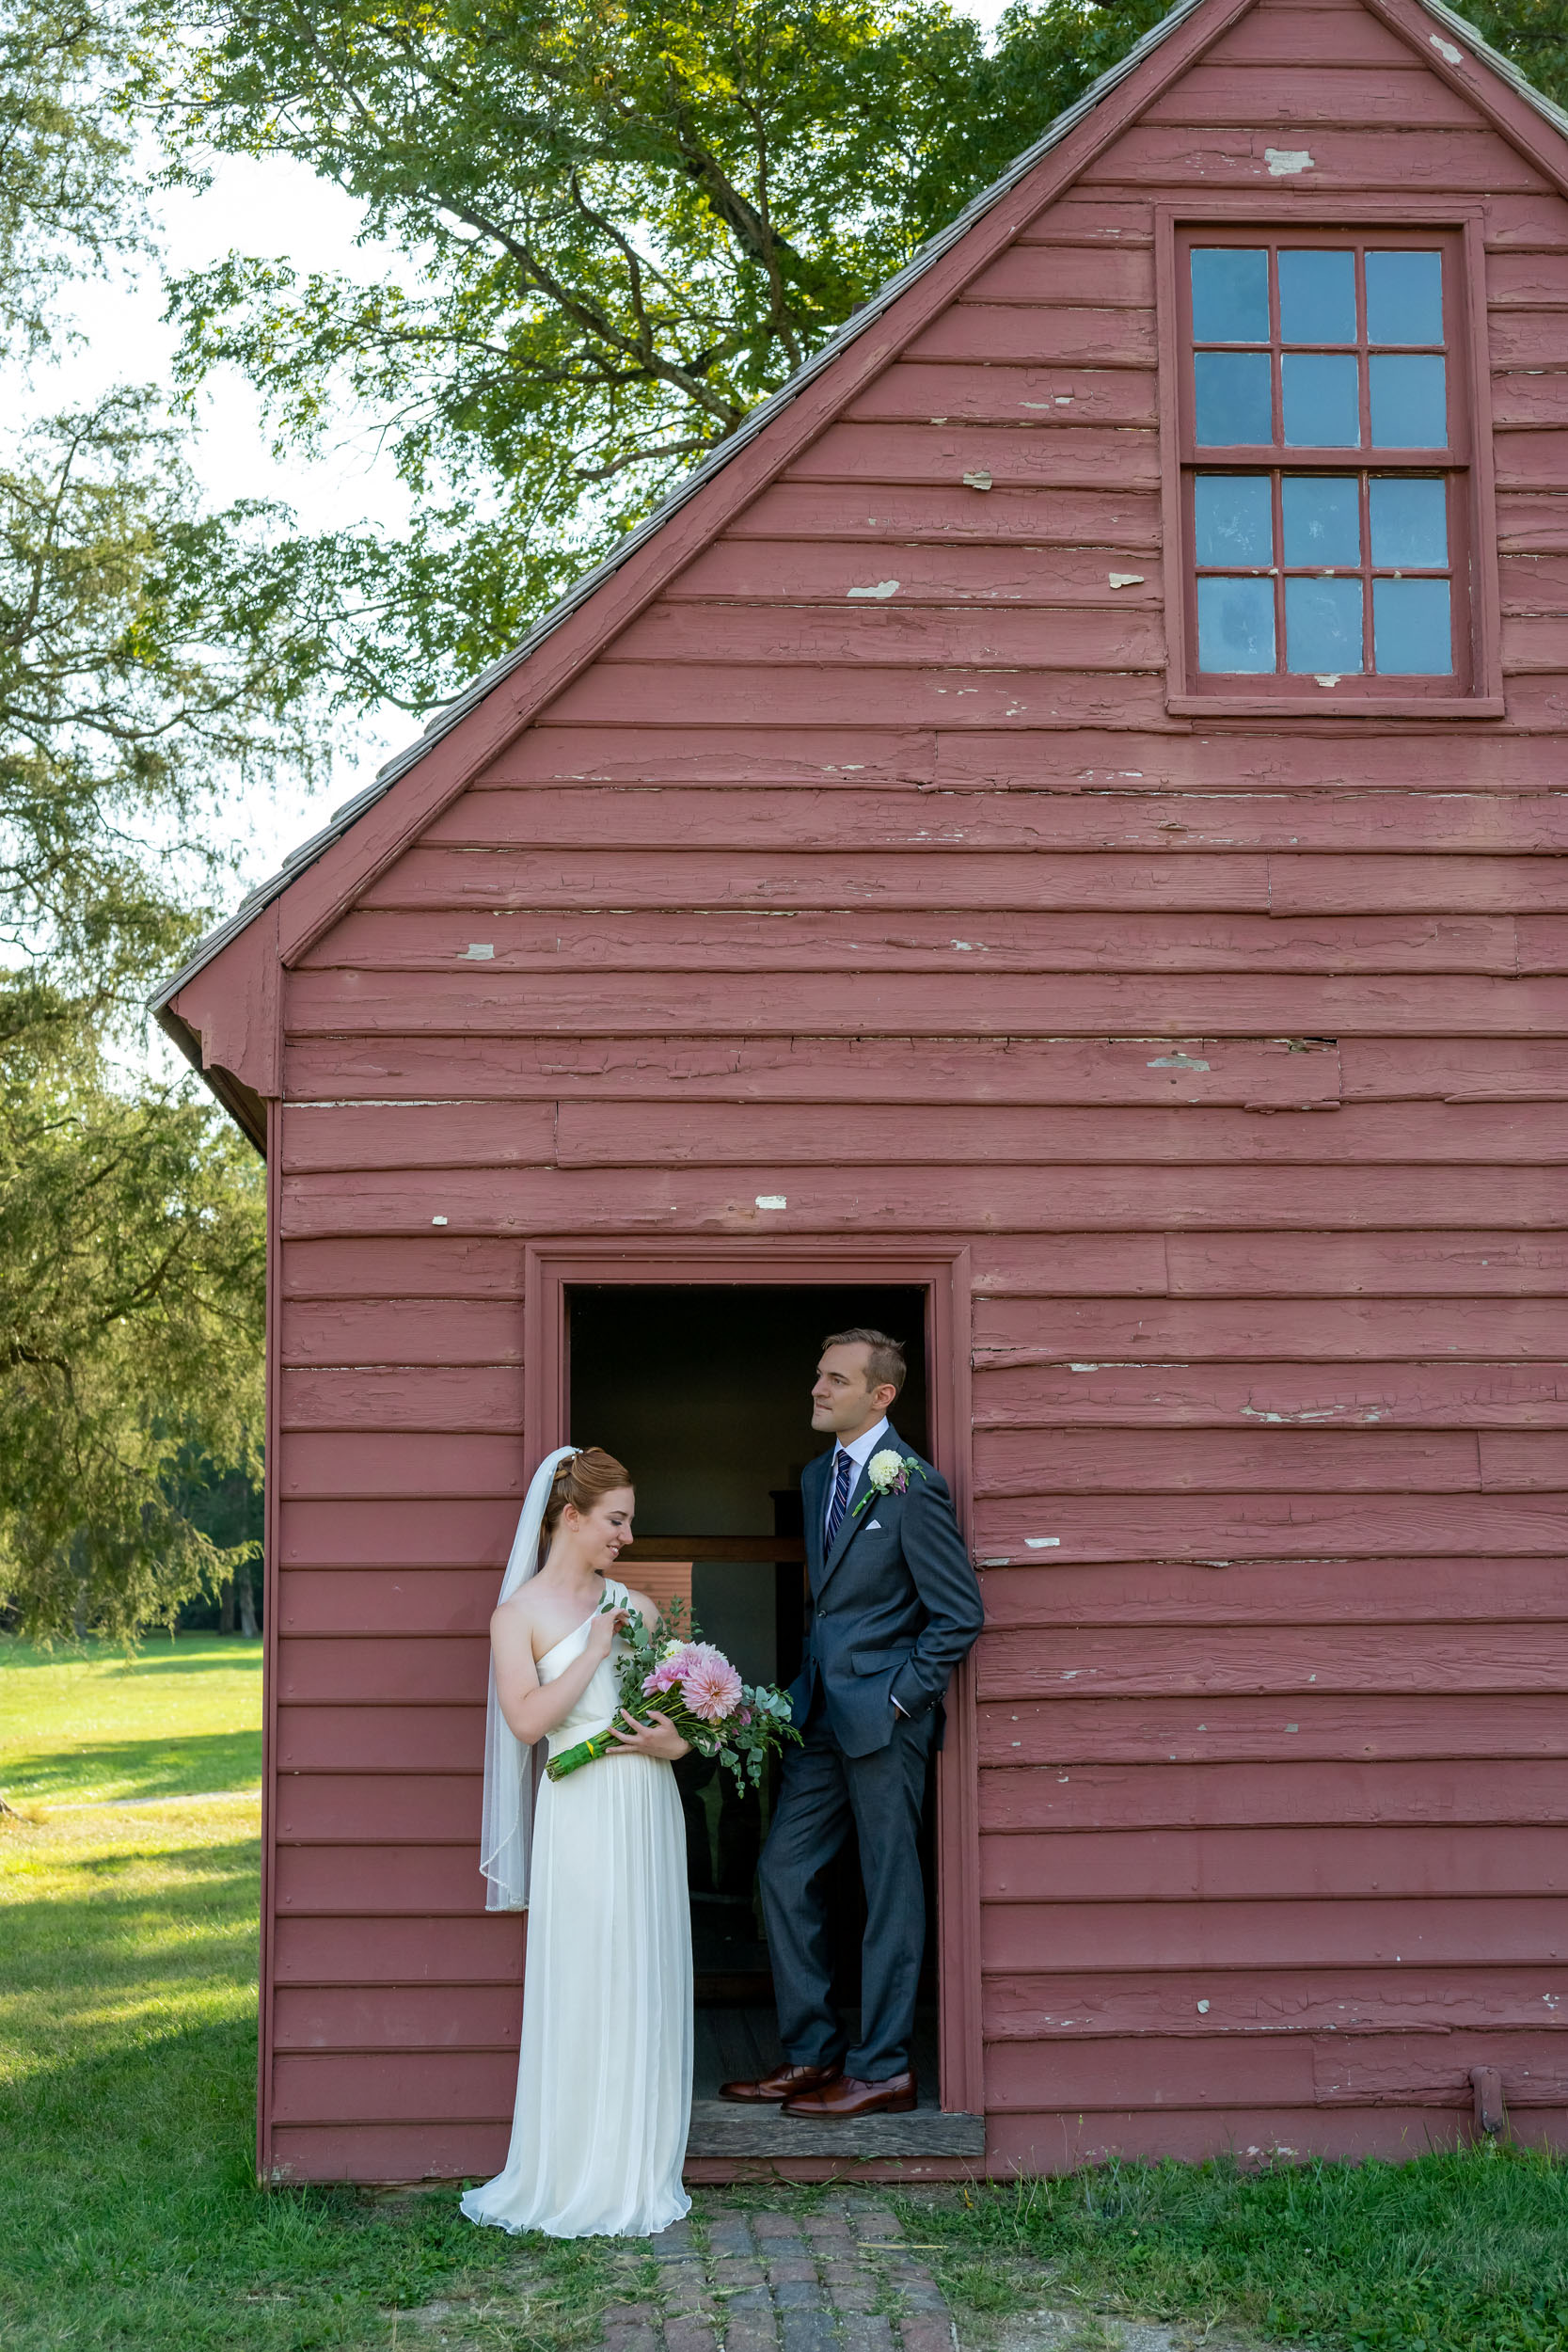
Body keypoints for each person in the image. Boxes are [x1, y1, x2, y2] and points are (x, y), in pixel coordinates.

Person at [721, 1328, 985, 2120]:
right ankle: (810, 2053)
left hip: (885, 1719)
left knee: (887, 1890)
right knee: (782, 1871)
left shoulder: (912, 1487)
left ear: (881, 1395)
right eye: (816, 1374)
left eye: (833, 1378)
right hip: (820, 1718)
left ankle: (883, 2068)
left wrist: (904, 1697)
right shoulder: (814, 1479)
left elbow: (958, 1615)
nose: (815, 1388)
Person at [461, 1445, 694, 2238]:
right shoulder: (516, 1616)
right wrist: (593, 1649)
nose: (627, 1537)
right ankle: (572, 2166)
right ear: (571, 1517)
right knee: (589, 1969)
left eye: (629, 1522)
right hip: (579, 1811)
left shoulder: (641, 1607)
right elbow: (527, 1723)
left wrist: (678, 1746)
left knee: (643, 1966)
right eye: (617, 1521)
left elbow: (683, 1715)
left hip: (645, 1804)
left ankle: (637, 2158)